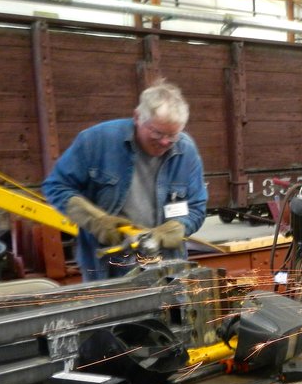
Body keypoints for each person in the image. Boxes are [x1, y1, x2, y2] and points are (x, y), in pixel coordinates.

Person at [43, 80, 208, 280]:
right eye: (157, 132)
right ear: (137, 117)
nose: (165, 142)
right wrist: (97, 221)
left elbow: (196, 207)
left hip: (167, 267)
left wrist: (175, 229)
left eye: (172, 135)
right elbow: (56, 186)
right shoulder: (96, 141)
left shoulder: (186, 151)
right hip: (107, 270)